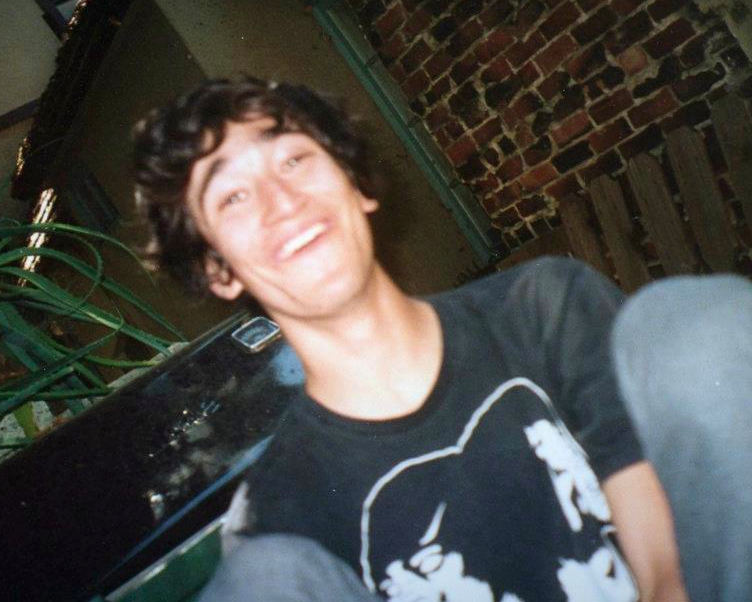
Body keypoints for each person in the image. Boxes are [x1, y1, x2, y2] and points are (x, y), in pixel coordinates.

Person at [132, 76, 687, 601]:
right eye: (233, 196)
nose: (282, 201)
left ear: (356, 183)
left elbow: (669, 557)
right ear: (218, 271)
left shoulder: (545, 308)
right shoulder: (281, 517)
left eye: (294, 160)